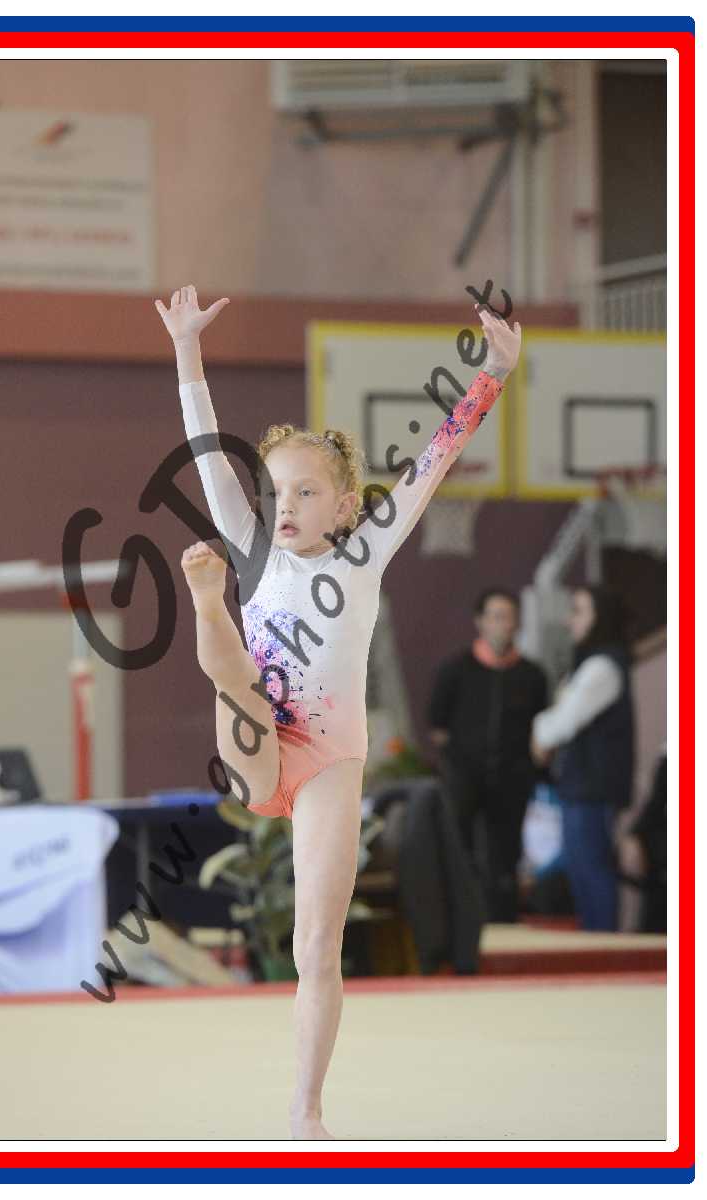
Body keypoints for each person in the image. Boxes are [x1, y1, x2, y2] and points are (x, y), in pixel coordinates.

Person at [155, 284, 522, 1139]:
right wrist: (185, 349)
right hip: (255, 738)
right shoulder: (254, 550)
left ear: (347, 506)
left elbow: (435, 458)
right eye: (277, 493)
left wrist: (495, 373)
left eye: (306, 493)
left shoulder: (366, 553)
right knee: (239, 684)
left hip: (329, 762)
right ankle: (208, 609)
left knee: (316, 947)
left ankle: (306, 1110)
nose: (285, 506)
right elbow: (207, 452)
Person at [427, 589, 549, 922]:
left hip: (513, 777)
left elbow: (542, 726)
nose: (503, 624)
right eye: (496, 617)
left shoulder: (532, 675)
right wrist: (458, 761)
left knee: (505, 853)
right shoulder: (455, 669)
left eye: (509, 617)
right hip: (464, 776)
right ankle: (462, 919)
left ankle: (504, 919)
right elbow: (437, 725)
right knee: (460, 845)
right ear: (480, 622)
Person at [531, 585, 635, 932]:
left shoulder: (603, 666)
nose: (569, 620)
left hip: (593, 790)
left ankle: (604, 948)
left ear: (599, 618)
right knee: (580, 871)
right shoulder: (589, 664)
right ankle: (595, 939)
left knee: (592, 870)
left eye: (578, 611)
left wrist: (539, 732)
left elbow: (562, 722)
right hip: (581, 788)